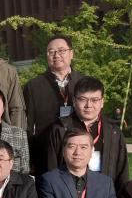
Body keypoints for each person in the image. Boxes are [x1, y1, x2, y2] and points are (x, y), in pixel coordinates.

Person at [46, 77, 128, 191]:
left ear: (102, 102)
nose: (88, 105)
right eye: (83, 99)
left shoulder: (113, 132)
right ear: (74, 101)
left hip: (104, 193)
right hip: (68, 193)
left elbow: (122, 173)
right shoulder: (60, 129)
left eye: (95, 100)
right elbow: (51, 170)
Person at [23, 35, 88, 178]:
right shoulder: (33, 86)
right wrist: (30, 159)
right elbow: (28, 127)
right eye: (51, 51)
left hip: (80, 154)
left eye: (61, 50)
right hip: (46, 154)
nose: (56, 55)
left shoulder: (84, 83)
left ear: (71, 53)